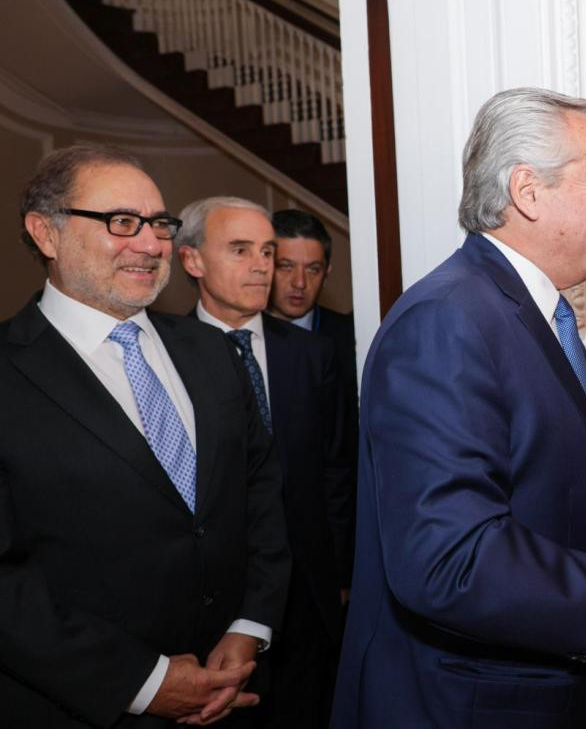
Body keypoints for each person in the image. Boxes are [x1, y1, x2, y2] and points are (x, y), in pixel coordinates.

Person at [332, 87, 586, 729]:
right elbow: (451, 560)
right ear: (527, 191)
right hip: (491, 705)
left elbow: (515, 482)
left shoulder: (524, 307)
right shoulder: (447, 321)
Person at [0, 144, 290, 727]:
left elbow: (259, 493)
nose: (152, 244)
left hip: (235, 689)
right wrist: (144, 682)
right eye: (120, 222)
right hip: (80, 706)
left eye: (158, 223)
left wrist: (249, 626)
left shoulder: (211, 350)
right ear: (46, 233)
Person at [177, 196, 354, 729]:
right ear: (192, 261)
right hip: (211, 592)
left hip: (308, 587)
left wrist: (343, 569)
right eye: (241, 250)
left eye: (267, 251)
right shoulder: (164, 355)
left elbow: (338, 470)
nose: (260, 266)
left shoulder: (311, 355)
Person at [267, 208, 357, 404]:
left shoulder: (353, 340)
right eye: (286, 266)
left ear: (326, 274)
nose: (300, 283)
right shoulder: (239, 339)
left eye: (313, 269)